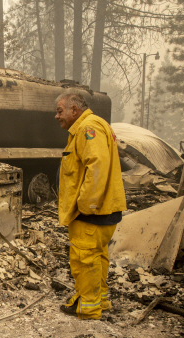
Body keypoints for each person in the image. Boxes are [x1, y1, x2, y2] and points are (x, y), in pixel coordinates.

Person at [54, 90, 127, 320]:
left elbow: (97, 166)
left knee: (84, 258)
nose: (56, 117)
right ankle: (100, 300)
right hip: (106, 209)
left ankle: (88, 308)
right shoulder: (95, 124)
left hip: (92, 211)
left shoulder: (87, 129)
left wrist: (85, 205)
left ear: (74, 110)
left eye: (60, 111)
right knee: (97, 256)